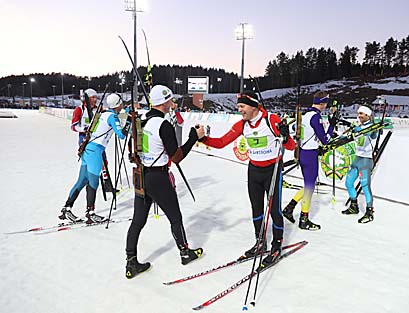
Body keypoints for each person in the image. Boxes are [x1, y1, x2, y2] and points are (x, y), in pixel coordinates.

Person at [199, 90, 295, 267]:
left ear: (253, 106)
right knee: (256, 209)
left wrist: (286, 135)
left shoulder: (271, 120)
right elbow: (221, 142)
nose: (240, 110)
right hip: (254, 171)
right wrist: (202, 138)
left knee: (274, 211)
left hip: (272, 171)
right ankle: (260, 242)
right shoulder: (242, 124)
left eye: (242, 106)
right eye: (239, 107)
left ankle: (276, 245)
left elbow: (291, 146)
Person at [125, 85, 204, 279]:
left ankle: (131, 262)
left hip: (142, 176)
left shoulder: (141, 121)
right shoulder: (163, 125)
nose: (172, 103)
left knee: (137, 221)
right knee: (175, 217)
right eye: (170, 100)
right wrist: (193, 138)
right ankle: (185, 253)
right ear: (165, 101)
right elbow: (176, 156)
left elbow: (131, 145)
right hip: (158, 178)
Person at [59, 93, 127, 224]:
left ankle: (67, 208)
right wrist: (127, 123)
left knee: (82, 181)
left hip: (87, 149)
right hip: (95, 151)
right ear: (118, 104)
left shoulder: (103, 114)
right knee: (93, 182)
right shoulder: (112, 116)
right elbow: (121, 135)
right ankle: (90, 213)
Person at [282, 91, 335, 230]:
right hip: (310, 154)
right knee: (310, 187)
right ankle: (303, 219)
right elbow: (325, 140)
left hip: (302, 153)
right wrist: (332, 125)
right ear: (323, 103)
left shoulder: (306, 115)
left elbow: (295, 128)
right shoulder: (316, 117)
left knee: (308, 186)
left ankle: (290, 208)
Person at [71, 88, 113, 192]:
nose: (95, 99)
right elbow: (73, 126)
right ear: (87, 99)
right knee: (89, 162)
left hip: (97, 138)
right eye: (93, 97)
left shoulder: (99, 109)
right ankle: (88, 182)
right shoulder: (79, 109)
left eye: (96, 97)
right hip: (84, 138)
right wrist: (84, 129)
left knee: (103, 159)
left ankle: (106, 182)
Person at [342, 105, 378, 223]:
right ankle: (354, 206)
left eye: (362, 114)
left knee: (365, 187)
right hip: (357, 159)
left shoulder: (373, 127)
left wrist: (355, 129)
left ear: (368, 115)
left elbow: (370, 134)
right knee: (348, 183)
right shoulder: (360, 126)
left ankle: (369, 212)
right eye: (359, 114)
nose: (359, 116)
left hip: (366, 161)